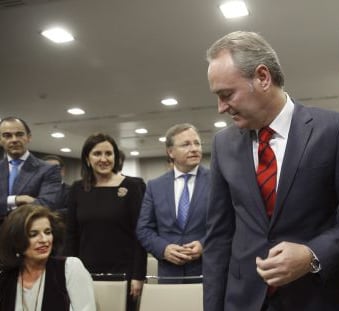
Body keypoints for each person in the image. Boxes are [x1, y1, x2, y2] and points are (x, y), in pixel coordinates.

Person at [203, 31, 339, 311]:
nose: (220, 108)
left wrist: (312, 254)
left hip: (314, 299)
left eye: (226, 94)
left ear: (263, 77)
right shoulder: (223, 144)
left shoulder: (332, 131)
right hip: (243, 301)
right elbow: (219, 237)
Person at [64, 133, 146, 311]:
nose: (104, 159)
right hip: (84, 274)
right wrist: (67, 273)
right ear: (87, 158)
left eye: (109, 153)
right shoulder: (77, 189)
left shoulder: (131, 187)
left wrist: (138, 275)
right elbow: (71, 235)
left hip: (124, 274)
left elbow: (140, 235)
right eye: (97, 153)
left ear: (115, 157)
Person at [137, 123, 210, 283]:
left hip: (208, 272)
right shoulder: (155, 186)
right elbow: (144, 229)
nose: (194, 148)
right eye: (186, 144)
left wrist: (204, 245)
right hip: (170, 275)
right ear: (170, 152)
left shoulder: (217, 181)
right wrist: (164, 249)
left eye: (197, 143)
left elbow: (227, 224)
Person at [0, 204, 96, 310]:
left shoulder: (70, 268)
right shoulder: (6, 278)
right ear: (16, 240)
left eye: (48, 232)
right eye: (33, 234)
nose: (44, 240)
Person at [0, 117, 61, 226]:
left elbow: (46, 205)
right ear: (0, 140)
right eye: (7, 136)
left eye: (19, 134)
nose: (14, 139)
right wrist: (16, 199)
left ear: (29, 137)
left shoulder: (49, 170)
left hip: (29, 236)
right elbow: (36, 204)